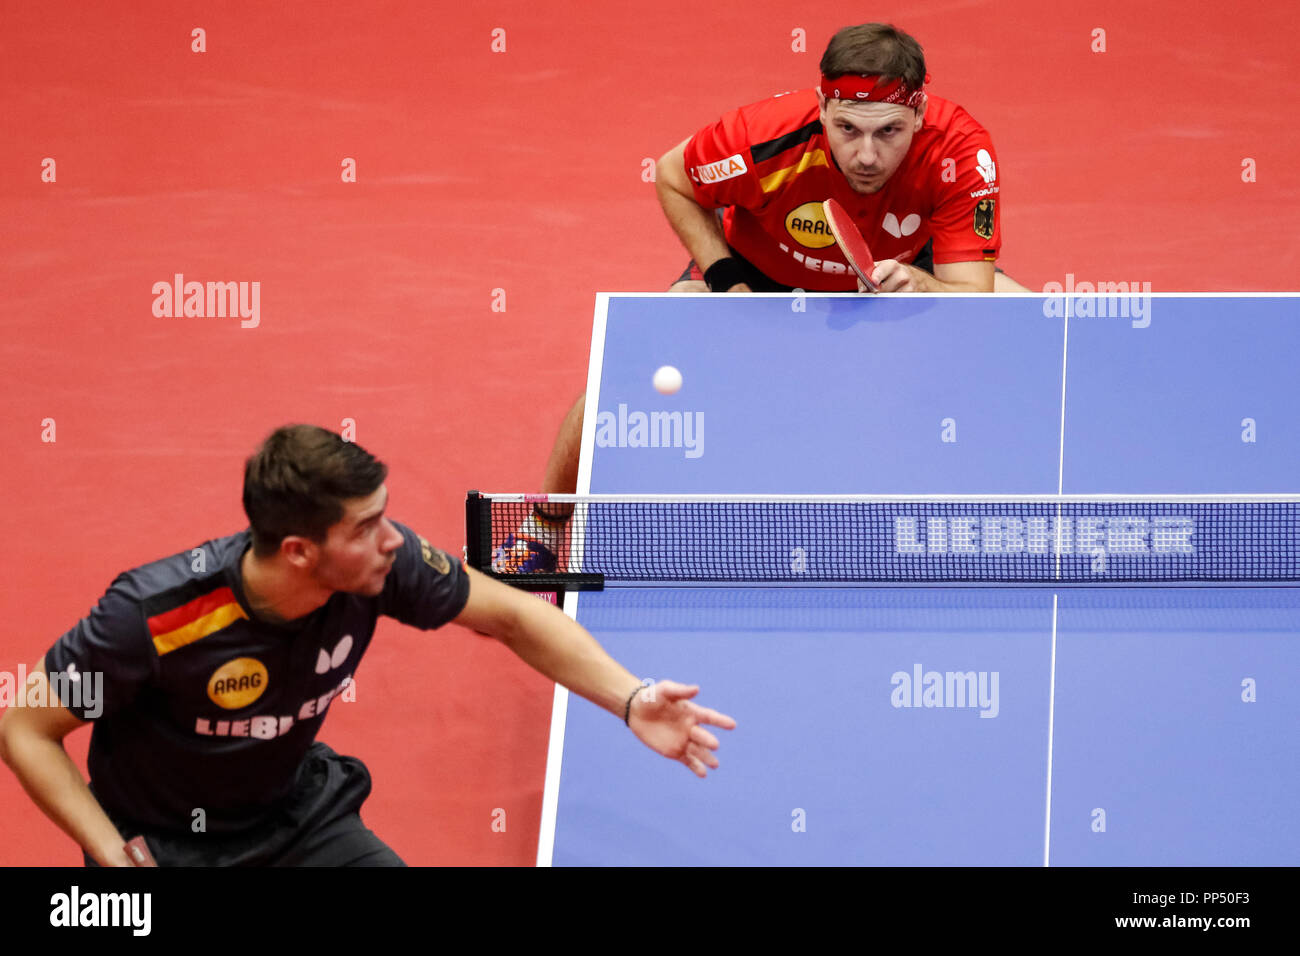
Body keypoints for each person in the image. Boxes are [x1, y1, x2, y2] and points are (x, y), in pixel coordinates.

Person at [0, 424, 735, 867]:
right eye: (364, 527)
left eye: (386, 516)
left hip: (298, 816)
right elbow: (25, 727)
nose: (395, 539)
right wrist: (107, 853)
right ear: (298, 551)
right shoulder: (154, 614)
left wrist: (630, 697)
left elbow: (513, 615)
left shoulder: (382, 567)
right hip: (162, 844)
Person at [493, 21, 1029, 574]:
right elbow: (673, 178)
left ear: (918, 114)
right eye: (847, 128)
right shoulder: (762, 136)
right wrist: (724, 279)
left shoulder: (961, 151)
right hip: (763, 270)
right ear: (821, 107)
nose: (866, 155)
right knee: (624, 380)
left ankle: (1013, 489)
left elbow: (971, 299)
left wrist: (923, 286)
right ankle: (545, 528)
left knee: (1032, 323)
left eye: (889, 132)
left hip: (896, 274)